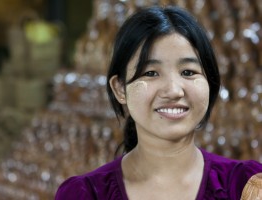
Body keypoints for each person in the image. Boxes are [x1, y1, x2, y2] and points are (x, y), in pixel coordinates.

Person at [55, 5, 262, 200]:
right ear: (120, 88)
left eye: (188, 72)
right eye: (151, 73)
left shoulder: (246, 186)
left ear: (210, 82)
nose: (173, 90)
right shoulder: (85, 194)